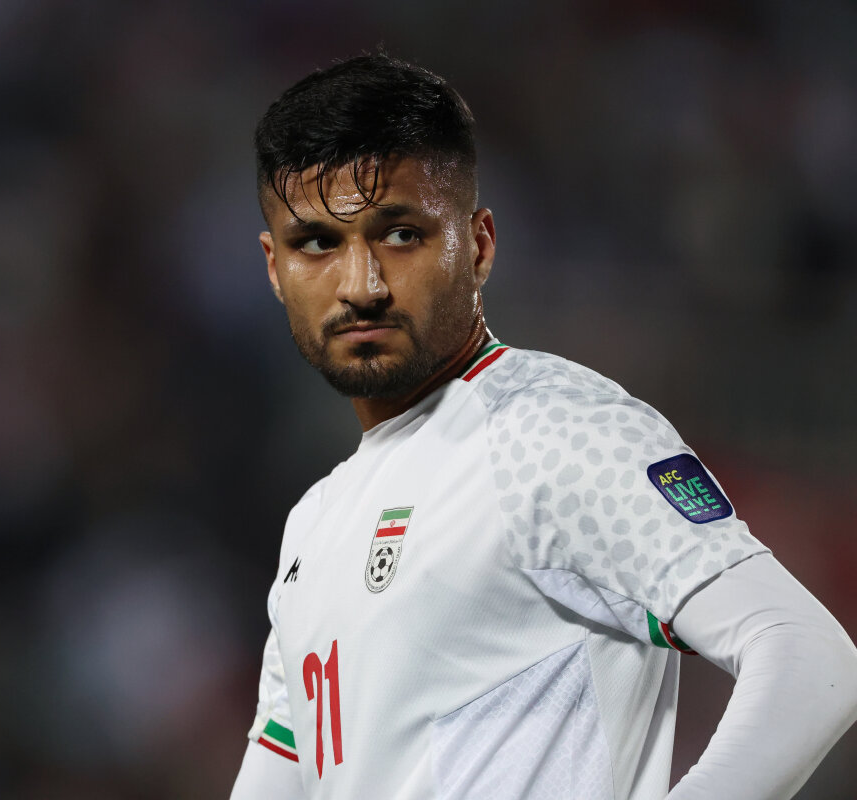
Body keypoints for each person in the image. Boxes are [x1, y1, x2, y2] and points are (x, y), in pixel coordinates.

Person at [229, 53, 857, 800]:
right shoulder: (313, 526)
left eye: (399, 235)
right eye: (317, 244)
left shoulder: (550, 432)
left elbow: (808, 657)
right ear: (274, 268)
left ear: (478, 245)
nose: (360, 285)